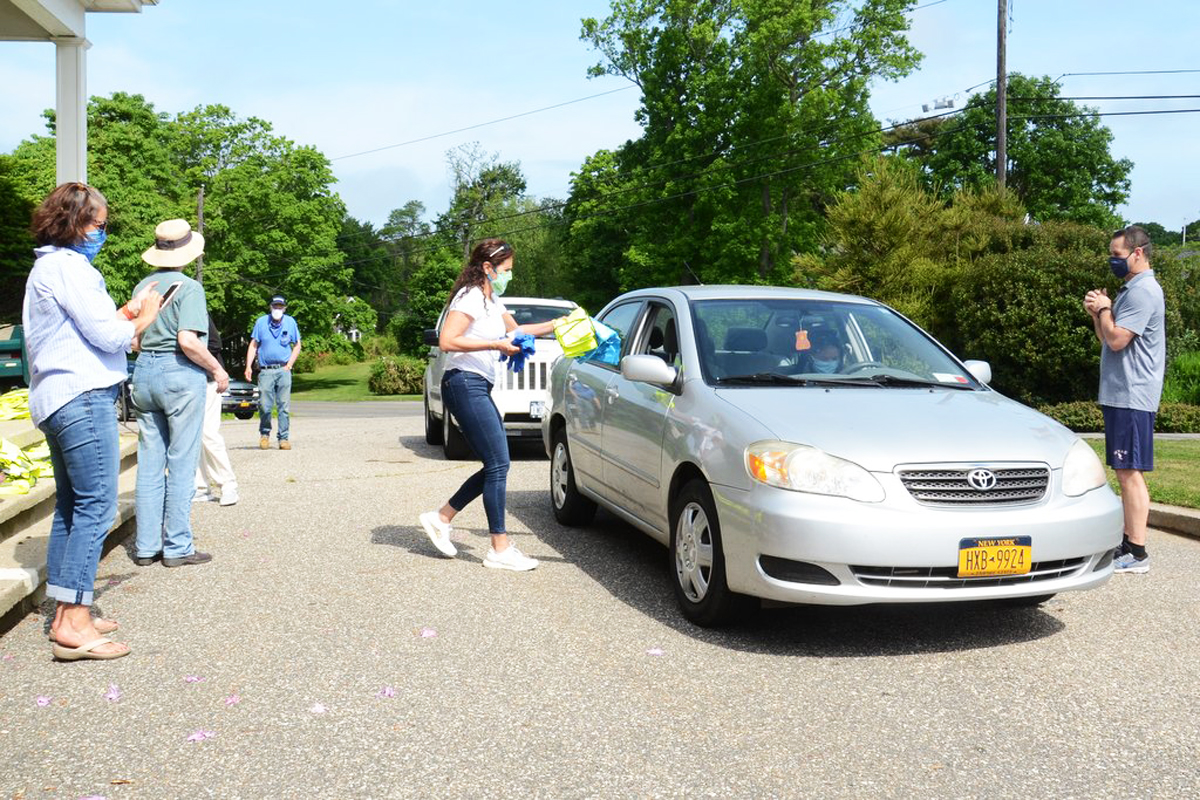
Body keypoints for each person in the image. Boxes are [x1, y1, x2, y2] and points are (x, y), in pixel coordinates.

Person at [23, 182, 162, 660]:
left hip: (58, 398)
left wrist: (121, 317)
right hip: (82, 398)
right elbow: (106, 336)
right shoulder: (70, 268)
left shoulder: (48, 267)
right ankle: (75, 624)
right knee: (97, 506)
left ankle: (66, 609)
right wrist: (144, 317)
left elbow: (80, 329)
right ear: (75, 222)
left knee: (71, 507)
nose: (103, 232)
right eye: (100, 225)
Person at [418, 239, 566, 571]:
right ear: (488, 268)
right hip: (462, 383)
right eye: (507, 270)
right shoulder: (469, 297)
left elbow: (518, 331)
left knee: (495, 464)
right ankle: (499, 547)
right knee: (499, 463)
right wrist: (494, 343)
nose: (508, 276)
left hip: (477, 386)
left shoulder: (491, 298)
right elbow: (447, 340)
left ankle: (441, 517)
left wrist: (559, 324)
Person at [131, 219, 228, 569]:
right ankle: (177, 546)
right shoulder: (190, 288)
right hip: (178, 375)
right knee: (182, 460)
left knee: (150, 462)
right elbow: (188, 341)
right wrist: (216, 369)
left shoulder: (145, 284)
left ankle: (145, 546)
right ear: (189, 252)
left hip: (144, 373)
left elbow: (134, 339)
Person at [1083, 225, 1166, 574]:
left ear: (1138, 253)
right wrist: (1098, 313)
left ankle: (1137, 552)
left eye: (1117, 255)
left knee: (1129, 472)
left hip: (1133, 394)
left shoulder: (1144, 291)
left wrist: (1104, 308)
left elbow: (1117, 340)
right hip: (1121, 394)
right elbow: (1107, 336)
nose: (1112, 260)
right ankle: (1127, 543)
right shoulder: (1131, 289)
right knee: (1123, 469)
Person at [193, 312, 239, 506]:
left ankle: (228, 484)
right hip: (186, 382)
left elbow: (214, 344)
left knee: (208, 433)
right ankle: (201, 487)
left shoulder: (197, 310)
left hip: (208, 379)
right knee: (192, 437)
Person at [245, 295, 301, 450]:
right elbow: (253, 345)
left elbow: (297, 345)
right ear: (270, 307)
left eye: (280, 307)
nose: (277, 309)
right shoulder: (261, 322)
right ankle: (264, 434)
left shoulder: (290, 322)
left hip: (283, 370)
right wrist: (248, 366)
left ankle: (283, 438)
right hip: (265, 370)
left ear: (284, 308)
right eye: (275, 306)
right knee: (264, 405)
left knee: (284, 406)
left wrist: (289, 364)